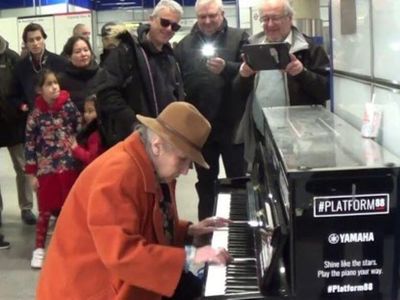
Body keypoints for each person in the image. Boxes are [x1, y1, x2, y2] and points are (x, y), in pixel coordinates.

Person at [36, 102, 231, 299]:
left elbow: (145, 224)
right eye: (183, 159)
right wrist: (193, 256)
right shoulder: (117, 175)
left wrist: (187, 233)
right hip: (88, 289)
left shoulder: (154, 166)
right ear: (157, 145)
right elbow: (122, 254)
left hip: (124, 278)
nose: (185, 170)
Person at [175, 0, 249, 220]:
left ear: (222, 13)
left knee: (239, 181)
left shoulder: (240, 38)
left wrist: (228, 68)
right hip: (201, 131)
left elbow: (250, 73)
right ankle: (205, 231)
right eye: (201, 17)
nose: (207, 21)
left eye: (212, 16)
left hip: (234, 127)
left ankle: (241, 225)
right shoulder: (184, 45)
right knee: (206, 184)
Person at [235, 0, 330, 167]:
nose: (269, 24)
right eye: (264, 19)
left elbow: (326, 91)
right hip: (260, 136)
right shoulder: (252, 48)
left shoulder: (310, 49)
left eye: (275, 18)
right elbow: (238, 93)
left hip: (300, 140)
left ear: (290, 18)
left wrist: (302, 73)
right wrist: (243, 76)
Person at [97, 0, 185, 148]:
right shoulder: (127, 51)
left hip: (164, 140)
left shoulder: (169, 55)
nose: (169, 29)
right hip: (134, 139)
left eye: (175, 26)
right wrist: (135, 124)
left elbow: (175, 93)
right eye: (164, 22)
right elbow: (107, 93)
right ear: (151, 19)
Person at [25, 69, 81, 269]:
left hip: (68, 166)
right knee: (45, 211)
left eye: (55, 82)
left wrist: (78, 148)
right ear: (40, 90)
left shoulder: (69, 107)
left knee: (70, 209)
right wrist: (32, 173)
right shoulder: (36, 115)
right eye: (48, 84)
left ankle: (70, 247)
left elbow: (79, 127)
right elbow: (30, 145)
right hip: (46, 168)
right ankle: (39, 248)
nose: (54, 87)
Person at [0, 35, 36, 226]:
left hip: (13, 122)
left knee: (22, 168)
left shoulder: (13, 58)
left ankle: (26, 208)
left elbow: (23, 88)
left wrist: (21, 109)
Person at [59, 36, 108, 112]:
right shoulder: (62, 80)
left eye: (86, 50)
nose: (83, 54)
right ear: (69, 56)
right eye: (78, 52)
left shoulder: (103, 75)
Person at [71, 95, 105, 167]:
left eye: (90, 111)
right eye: (85, 111)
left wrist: (76, 149)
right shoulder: (88, 130)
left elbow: (93, 160)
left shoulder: (96, 135)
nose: (86, 115)